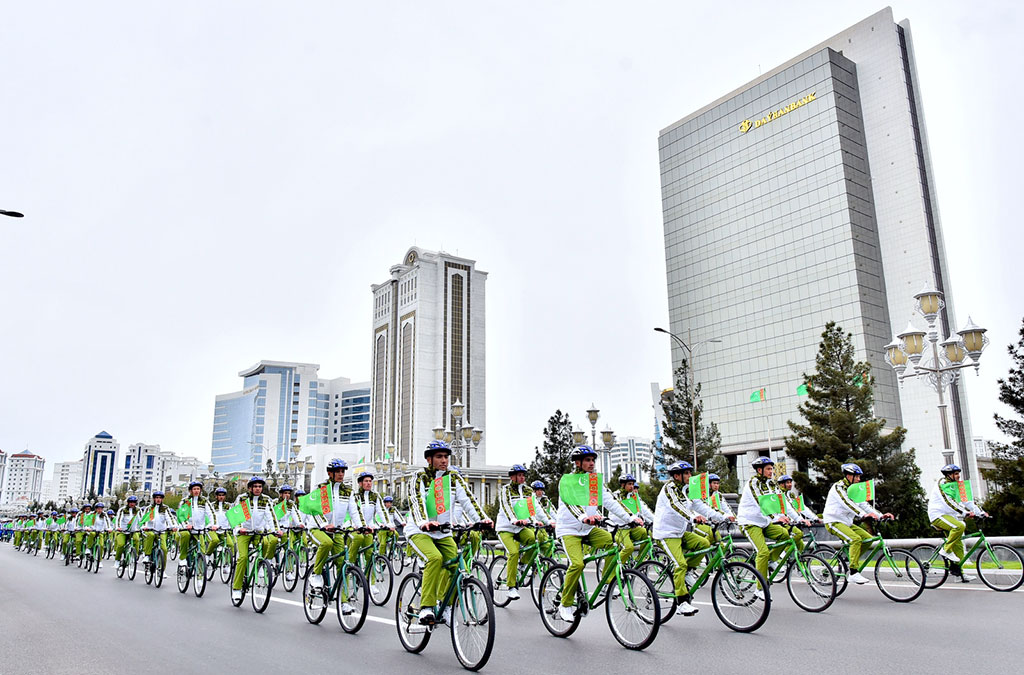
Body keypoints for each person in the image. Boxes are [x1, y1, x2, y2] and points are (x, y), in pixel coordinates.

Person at [405, 440, 492, 625]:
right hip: (419, 531)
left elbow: (468, 500)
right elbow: (416, 501)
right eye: (439, 457)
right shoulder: (419, 477)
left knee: (458, 568)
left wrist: (482, 519)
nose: (444, 460)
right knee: (434, 558)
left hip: (443, 533)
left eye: (446, 457)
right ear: (429, 459)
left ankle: (447, 607)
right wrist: (424, 522)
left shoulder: (453, 477)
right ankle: (426, 607)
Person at [554, 446, 641, 623]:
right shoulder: (567, 480)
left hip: (588, 529)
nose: (592, 463)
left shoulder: (594, 481)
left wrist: (631, 517)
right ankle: (565, 604)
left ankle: (607, 582)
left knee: (616, 543)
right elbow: (571, 503)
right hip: (569, 530)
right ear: (577, 462)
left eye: (593, 460)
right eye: (587, 460)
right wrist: (584, 517)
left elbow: (611, 501)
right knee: (577, 564)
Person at [654, 461, 731, 616]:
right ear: (677, 476)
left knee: (704, 543)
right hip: (666, 534)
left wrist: (724, 516)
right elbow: (676, 506)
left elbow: (701, 506)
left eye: (690, 473)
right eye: (687, 473)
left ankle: (688, 571)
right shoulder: (669, 488)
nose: (690, 476)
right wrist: (693, 517)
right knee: (680, 564)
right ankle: (682, 602)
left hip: (681, 532)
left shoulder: (688, 489)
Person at [822, 463, 892, 584]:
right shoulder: (838, 487)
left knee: (868, 539)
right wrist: (863, 515)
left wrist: (880, 515)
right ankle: (853, 573)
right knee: (855, 539)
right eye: (857, 476)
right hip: (833, 521)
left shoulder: (854, 489)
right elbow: (847, 503)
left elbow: (864, 504)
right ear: (849, 476)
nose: (859, 479)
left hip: (846, 523)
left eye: (859, 477)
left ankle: (849, 561)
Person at [737, 457, 794, 592]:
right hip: (750, 523)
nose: (771, 471)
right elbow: (761, 502)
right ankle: (760, 589)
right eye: (768, 469)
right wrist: (776, 518)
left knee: (785, 535)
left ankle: (771, 560)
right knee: (763, 552)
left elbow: (781, 503)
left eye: (772, 469)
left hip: (765, 522)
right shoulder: (753, 483)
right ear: (759, 470)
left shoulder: (772, 484)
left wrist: (792, 517)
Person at [307, 459, 358, 608]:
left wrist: (361, 526)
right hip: (317, 528)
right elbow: (314, 509)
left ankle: (344, 602)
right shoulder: (321, 488)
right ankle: (316, 574)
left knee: (342, 565)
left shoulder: (348, 491)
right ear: (330, 473)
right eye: (338, 472)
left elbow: (354, 511)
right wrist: (324, 524)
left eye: (343, 471)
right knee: (326, 543)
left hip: (337, 531)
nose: (341, 474)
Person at [496, 464, 547, 600]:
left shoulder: (528, 490)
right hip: (505, 528)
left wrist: (543, 521)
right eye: (519, 475)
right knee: (513, 552)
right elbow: (506, 506)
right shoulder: (506, 490)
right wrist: (514, 520)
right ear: (512, 477)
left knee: (533, 540)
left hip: (520, 528)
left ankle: (523, 564)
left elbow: (533, 508)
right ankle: (511, 587)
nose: (522, 477)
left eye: (523, 475)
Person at [928, 463, 987, 580]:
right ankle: (946, 550)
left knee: (959, 546)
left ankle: (959, 574)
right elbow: (948, 501)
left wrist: (981, 512)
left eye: (958, 473)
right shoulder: (942, 483)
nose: (958, 476)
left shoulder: (960, 485)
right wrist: (965, 513)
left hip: (950, 516)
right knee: (960, 526)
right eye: (955, 474)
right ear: (948, 475)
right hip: (938, 515)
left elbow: (968, 501)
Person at [231, 476, 283, 603]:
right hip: (244, 532)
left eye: (260, 486)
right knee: (243, 558)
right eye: (255, 486)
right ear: (250, 488)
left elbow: (271, 516)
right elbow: (237, 515)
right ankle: (237, 588)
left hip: (258, 532)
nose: (258, 489)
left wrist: (276, 530)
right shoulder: (242, 498)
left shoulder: (266, 500)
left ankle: (261, 565)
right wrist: (239, 529)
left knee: (267, 542)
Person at [607, 473, 655, 566]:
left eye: (633, 484)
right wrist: (629, 520)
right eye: (629, 484)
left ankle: (638, 563)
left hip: (632, 527)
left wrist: (654, 520)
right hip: (620, 528)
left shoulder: (634, 496)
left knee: (647, 535)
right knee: (629, 548)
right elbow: (615, 514)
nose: (632, 486)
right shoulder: (616, 495)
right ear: (622, 485)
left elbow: (643, 509)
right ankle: (615, 568)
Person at [177, 481, 218, 576]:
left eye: (198, 489)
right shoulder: (185, 501)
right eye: (194, 489)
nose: (196, 491)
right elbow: (180, 515)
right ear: (190, 490)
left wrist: (213, 524)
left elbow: (211, 513)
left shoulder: (204, 501)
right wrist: (186, 524)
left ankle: (200, 576)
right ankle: (182, 559)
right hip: (186, 529)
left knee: (202, 553)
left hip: (199, 530)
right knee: (185, 536)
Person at [349, 472, 387, 570]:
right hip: (355, 527)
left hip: (369, 528)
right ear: (360, 483)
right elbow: (353, 512)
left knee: (370, 555)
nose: (369, 483)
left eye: (370, 481)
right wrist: (356, 525)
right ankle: (350, 567)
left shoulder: (375, 496)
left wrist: (387, 524)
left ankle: (370, 578)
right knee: (356, 543)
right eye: (366, 481)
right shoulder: (354, 495)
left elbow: (381, 510)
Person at [140, 491, 177, 567]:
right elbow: (144, 519)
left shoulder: (165, 508)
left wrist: (173, 526)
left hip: (161, 531)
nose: (158, 499)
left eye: (160, 498)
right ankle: (147, 555)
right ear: (154, 499)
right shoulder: (149, 508)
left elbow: (170, 518)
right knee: (150, 535)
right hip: (151, 530)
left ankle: (162, 569)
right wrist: (144, 527)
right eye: (157, 498)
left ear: (162, 499)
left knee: (164, 549)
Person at [530, 480, 557, 558]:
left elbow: (552, 511)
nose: (540, 492)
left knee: (547, 546)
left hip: (543, 525)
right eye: (538, 490)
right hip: (533, 524)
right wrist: (548, 521)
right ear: (534, 491)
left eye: (541, 490)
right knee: (534, 546)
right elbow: (539, 512)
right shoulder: (531, 499)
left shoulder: (545, 500)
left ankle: (547, 562)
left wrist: (558, 521)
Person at [113, 496, 142, 567]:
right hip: (123, 531)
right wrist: (118, 527)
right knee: (121, 544)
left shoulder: (138, 510)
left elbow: (141, 520)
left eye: (134, 502)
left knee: (136, 539)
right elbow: (118, 519)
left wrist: (142, 527)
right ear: (128, 503)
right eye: (131, 502)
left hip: (133, 531)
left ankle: (134, 555)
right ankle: (117, 560)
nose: (132, 504)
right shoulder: (122, 510)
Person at [208, 487, 235, 561]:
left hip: (224, 530)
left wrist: (232, 526)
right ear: (216, 496)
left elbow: (232, 517)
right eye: (219, 495)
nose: (221, 497)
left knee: (231, 545)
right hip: (213, 530)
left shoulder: (228, 506)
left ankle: (228, 562)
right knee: (215, 541)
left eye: (223, 495)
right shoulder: (211, 505)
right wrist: (211, 526)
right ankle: (207, 555)